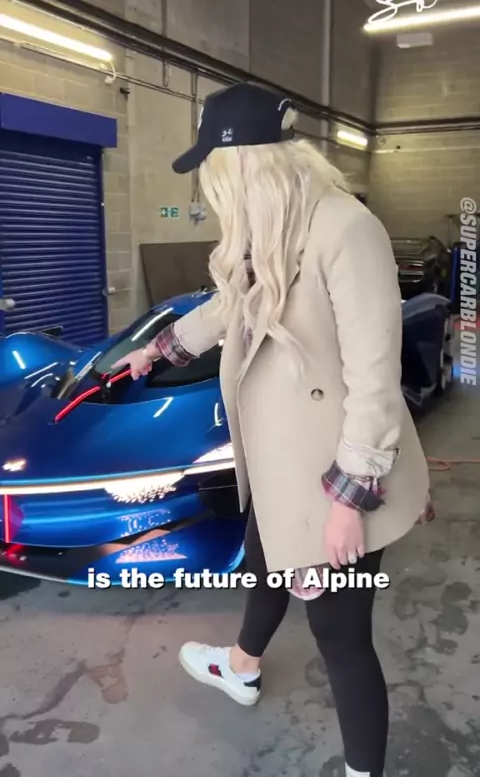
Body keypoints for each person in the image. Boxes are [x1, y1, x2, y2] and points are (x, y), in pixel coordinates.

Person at [113, 83, 433, 777]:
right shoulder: (272, 229)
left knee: (340, 634)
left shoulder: (345, 229)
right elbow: (229, 306)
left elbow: (375, 377)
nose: (212, 191)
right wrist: (161, 349)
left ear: (245, 166)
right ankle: (241, 667)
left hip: (337, 469)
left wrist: (349, 499)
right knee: (265, 558)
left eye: (214, 172)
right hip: (281, 460)